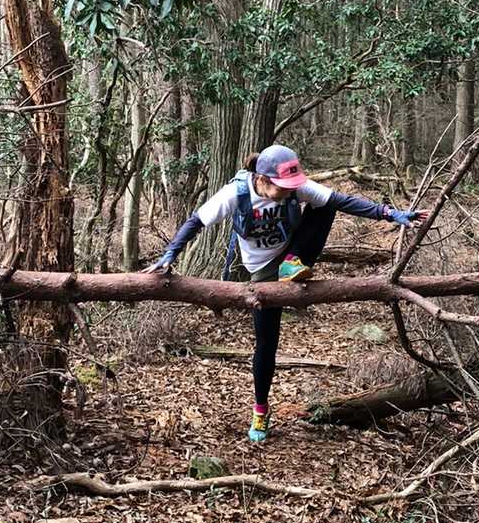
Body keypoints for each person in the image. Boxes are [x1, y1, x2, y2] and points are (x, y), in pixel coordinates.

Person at [148, 143, 425, 443]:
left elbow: (341, 200)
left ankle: (292, 262)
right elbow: (196, 221)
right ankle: (260, 410)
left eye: (291, 187)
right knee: (266, 344)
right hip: (262, 271)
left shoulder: (293, 187)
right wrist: (170, 254)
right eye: (282, 187)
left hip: (294, 256)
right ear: (262, 180)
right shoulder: (236, 194)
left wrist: (389, 213)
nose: (289, 192)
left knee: (326, 205)